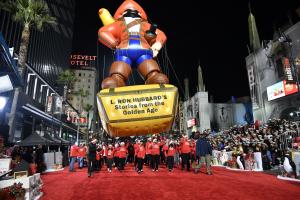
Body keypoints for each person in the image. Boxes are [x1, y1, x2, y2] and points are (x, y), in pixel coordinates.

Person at [98, 0, 168, 89]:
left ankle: (153, 77)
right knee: (120, 68)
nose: (132, 12)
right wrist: (112, 42)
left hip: (143, 52)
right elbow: (103, 32)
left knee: (149, 67)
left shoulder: (145, 25)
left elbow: (160, 34)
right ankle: (116, 80)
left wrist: (157, 44)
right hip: (124, 52)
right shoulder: (118, 24)